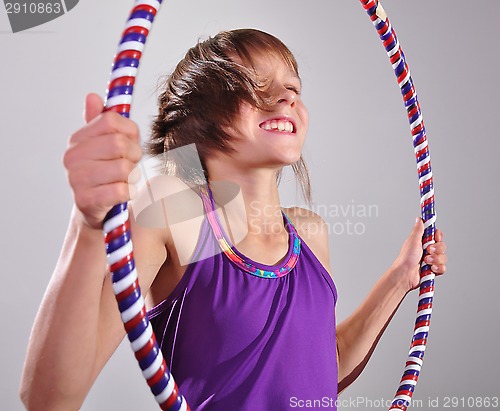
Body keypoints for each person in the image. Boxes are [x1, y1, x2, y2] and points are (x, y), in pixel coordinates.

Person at [19, 29, 447, 410]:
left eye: (293, 87)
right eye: (257, 86)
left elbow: (323, 370)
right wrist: (89, 225)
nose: (287, 98)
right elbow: (50, 398)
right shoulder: (180, 215)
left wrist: (400, 278)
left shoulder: (309, 232)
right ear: (199, 119)